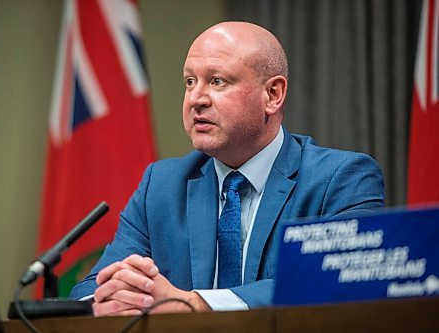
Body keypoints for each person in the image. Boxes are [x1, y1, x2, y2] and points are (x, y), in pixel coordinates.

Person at [70, 21, 385, 316]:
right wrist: (112, 299)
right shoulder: (162, 186)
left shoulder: (341, 178)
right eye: (189, 81)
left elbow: (341, 283)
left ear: (273, 95)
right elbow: (90, 289)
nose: (195, 99)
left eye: (217, 81)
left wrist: (193, 304)